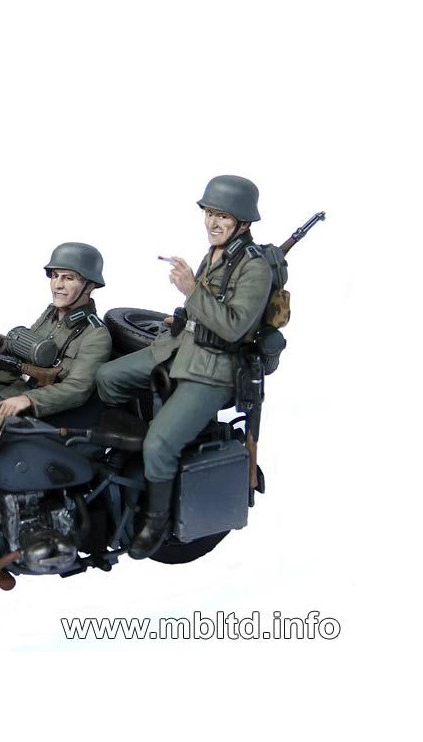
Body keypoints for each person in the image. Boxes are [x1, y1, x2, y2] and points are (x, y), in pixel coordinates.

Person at [95, 175, 273, 559]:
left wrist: (191, 289)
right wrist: (183, 313)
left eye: (223, 216)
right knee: (107, 377)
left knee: (159, 444)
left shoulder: (255, 268)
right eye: (209, 213)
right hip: (181, 347)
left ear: (243, 222)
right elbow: (208, 308)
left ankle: (156, 519)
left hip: (214, 369)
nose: (213, 222)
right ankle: (131, 454)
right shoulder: (219, 253)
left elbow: (233, 326)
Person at [0, 242, 112, 418]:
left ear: (90, 286)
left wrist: (29, 399)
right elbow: (26, 348)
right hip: (10, 386)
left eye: (68, 278)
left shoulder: (95, 334)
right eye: (55, 276)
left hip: (33, 405)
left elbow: (77, 389)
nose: (57, 285)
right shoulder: (50, 314)